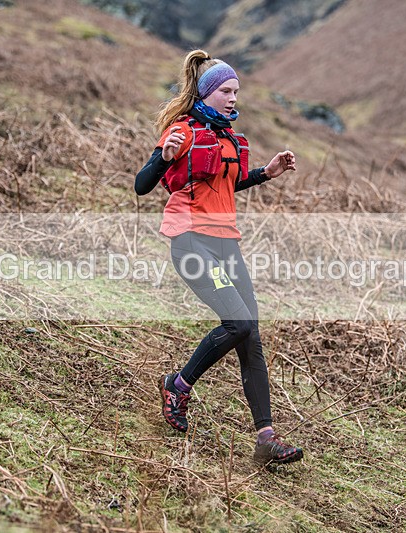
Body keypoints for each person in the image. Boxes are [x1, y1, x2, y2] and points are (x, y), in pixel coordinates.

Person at [134, 49, 303, 465]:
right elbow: (142, 184)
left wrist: (266, 172)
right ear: (208, 92)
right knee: (239, 322)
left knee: (251, 335)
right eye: (227, 90)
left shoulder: (228, 137)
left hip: (226, 243)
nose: (233, 97)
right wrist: (164, 157)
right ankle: (178, 383)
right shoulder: (183, 130)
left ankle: (266, 439)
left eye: (236, 91)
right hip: (190, 240)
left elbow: (227, 185)